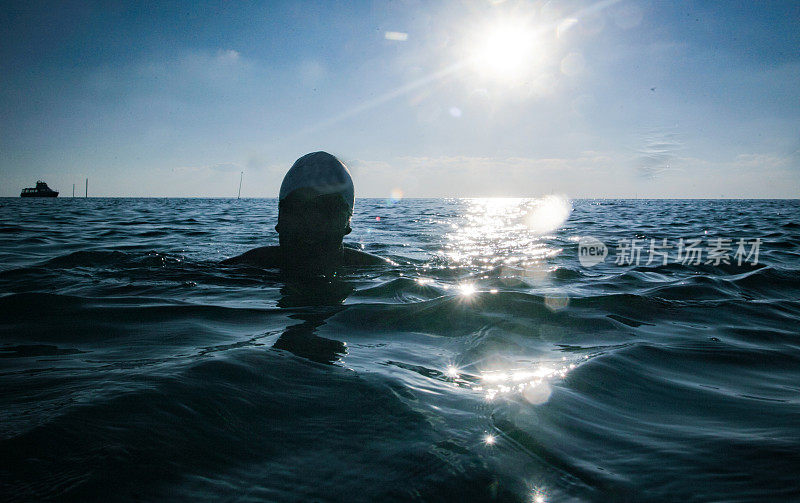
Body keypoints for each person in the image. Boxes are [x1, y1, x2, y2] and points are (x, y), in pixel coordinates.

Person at [222, 151, 387, 272]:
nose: (310, 222)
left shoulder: (381, 272)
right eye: (297, 209)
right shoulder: (239, 268)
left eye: (326, 209)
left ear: (347, 223)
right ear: (279, 220)